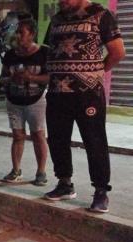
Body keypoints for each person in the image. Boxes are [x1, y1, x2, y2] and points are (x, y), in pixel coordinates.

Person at [43, 0, 125, 213]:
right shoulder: (57, 19)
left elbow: (117, 52)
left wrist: (94, 74)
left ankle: (100, 191)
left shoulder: (101, 15)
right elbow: (48, 52)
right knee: (57, 139)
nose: (61, 1)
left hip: (88, 95)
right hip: (57, 92)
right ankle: (64, 183)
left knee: (94, 140)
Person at [0, 18, 49, 186]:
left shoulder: (43, 53)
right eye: (17, 32)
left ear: (32, 34)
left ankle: (41, 172)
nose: (18, 35)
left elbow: (51, 78)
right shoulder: (10, 55)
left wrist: (31, 77)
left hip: (36, 101)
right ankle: (16, 170)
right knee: (17, 135)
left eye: (22, 32)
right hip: (14, 101)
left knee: (38, 135)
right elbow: (2, 78)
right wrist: (12, 78)